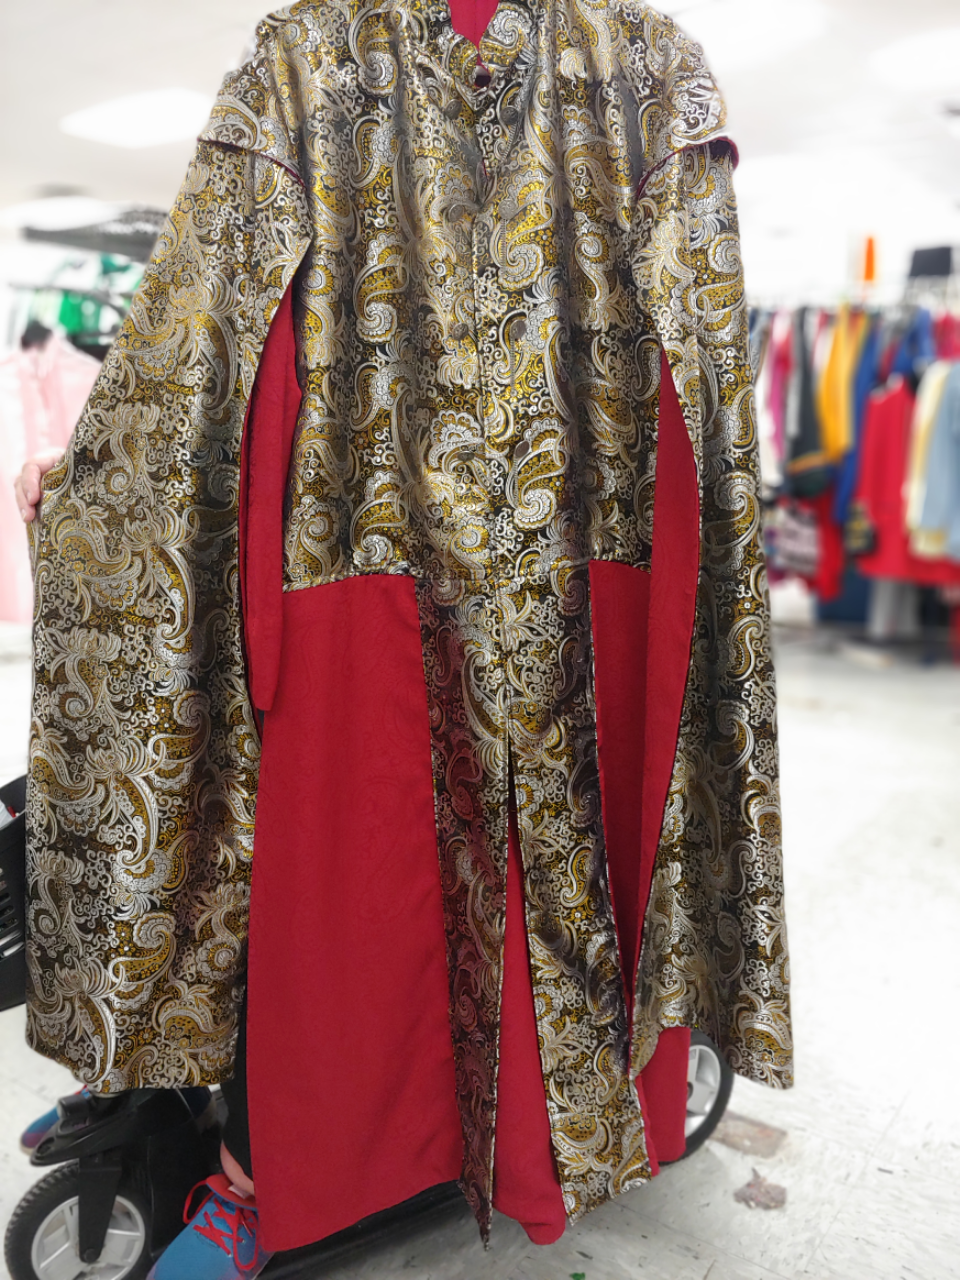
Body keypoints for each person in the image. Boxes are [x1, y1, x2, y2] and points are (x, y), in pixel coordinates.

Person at [13, 1, 793, 1277]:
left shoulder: (645, 70)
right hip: (389, 565)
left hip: (514, 578)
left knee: (359, 900)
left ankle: (298, 1167)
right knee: (337, 911)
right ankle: (264, 1163)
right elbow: (201, 321)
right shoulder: (313, 60)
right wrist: (102, 475)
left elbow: (698, 384)